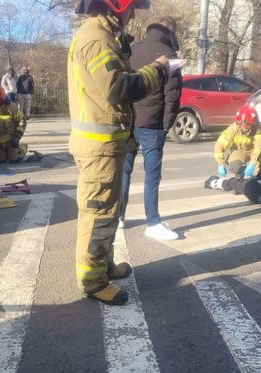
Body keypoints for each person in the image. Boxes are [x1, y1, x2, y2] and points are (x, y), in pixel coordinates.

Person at [68, 0, 168, 306]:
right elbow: (118, 89)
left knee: (107, 210)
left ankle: (103, 264)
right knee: (99, 213)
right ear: (116, 6)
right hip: (99, 148)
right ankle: (93, 280)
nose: (134, 14)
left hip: (106, 145)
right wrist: (158, 72)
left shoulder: (103, 36)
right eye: (131, 7)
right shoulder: (97, 40)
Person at [119, 17, 182, 241]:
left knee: (124, 172)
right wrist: (166, 125)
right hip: (153, 123)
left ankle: (119, 217)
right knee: (151, 176)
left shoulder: (133, 50)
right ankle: (152, 222)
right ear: (171, 32)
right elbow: (172, 96)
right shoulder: (167, 55)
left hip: (129, 121)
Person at [212, 106, 261, 180]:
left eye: (247, 124)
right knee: (236, 166)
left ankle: (253, 179)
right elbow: (220, 145)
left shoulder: (259, 128)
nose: (243, 126)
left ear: (253, 123)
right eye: (240, 123)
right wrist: (220, 163)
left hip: (254, 152)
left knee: (257, 173)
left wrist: (252, 163)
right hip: (239, 151)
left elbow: (258, 148)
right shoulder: (234, 127)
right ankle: (241, 177)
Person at [0, 85, 31, 163]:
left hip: (11, 141)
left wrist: (17, 137)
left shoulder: (12, 107)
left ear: (0, 100)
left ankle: (22, 149)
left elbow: (22, 121)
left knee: (14, 160)